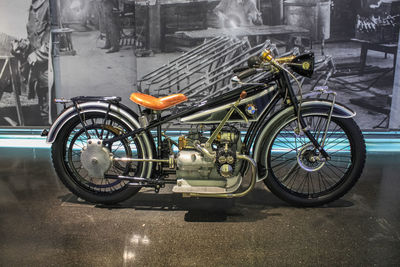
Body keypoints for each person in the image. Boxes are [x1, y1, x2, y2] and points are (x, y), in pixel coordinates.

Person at [26, 0, 51, 125]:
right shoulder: (33, 7)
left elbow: (54, 39)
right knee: (42, 99)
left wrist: (37, 54)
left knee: (50, 105)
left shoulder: (49, 5)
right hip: (38, 66)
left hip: (48, 65)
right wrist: (24, 45)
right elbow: (33, 36)